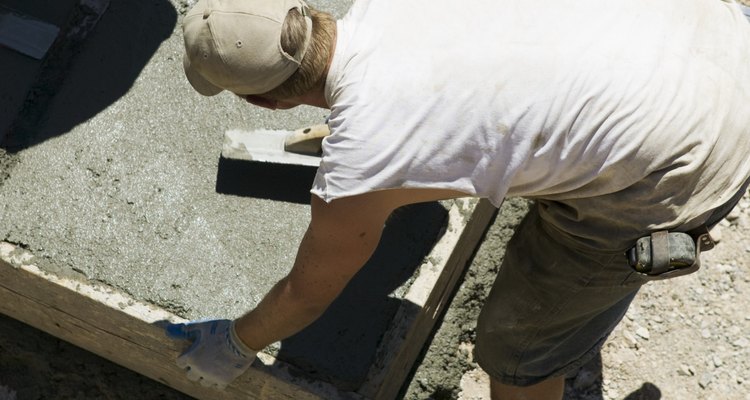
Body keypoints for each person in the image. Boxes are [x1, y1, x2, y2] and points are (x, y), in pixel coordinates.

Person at [167, 0, 750, 398]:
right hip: (705, 29)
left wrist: (236, 342)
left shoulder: (362, 163)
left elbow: (306, 294)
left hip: (695, 151)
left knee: (518, 349)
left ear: (266, 104)